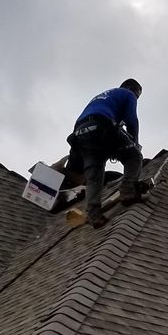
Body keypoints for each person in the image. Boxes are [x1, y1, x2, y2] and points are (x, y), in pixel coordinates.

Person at [66, 79, 145, 227]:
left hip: (81, 133)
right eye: (137, 95)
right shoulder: (127, 94)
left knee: (94, 176)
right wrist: (134, 142)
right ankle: (128, 190)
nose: (136, 98)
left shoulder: (105, 97)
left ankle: (94, 214)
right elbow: (131, 120)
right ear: (131, 89)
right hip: (101, 124)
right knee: (133, 156)